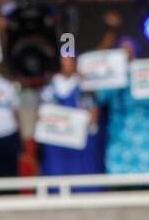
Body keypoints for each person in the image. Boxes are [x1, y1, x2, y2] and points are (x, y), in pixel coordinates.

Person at [97, 39, 149, 175]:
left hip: (145, 130)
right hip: (119, 131)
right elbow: (101, 99)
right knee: (119, 177)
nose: (126, 55)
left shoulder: (148, 72)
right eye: (123, 52)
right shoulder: (111, 76)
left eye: (129, 51)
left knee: (147, 176)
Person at [38, 54, 103, 185]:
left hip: (80, 144)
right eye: (63, 61)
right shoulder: (49, 88)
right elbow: (42, 115)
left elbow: (93, 116)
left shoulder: (85, 87)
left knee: (82, 183)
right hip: (56, 146)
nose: (66, 64)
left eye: (70, 60)